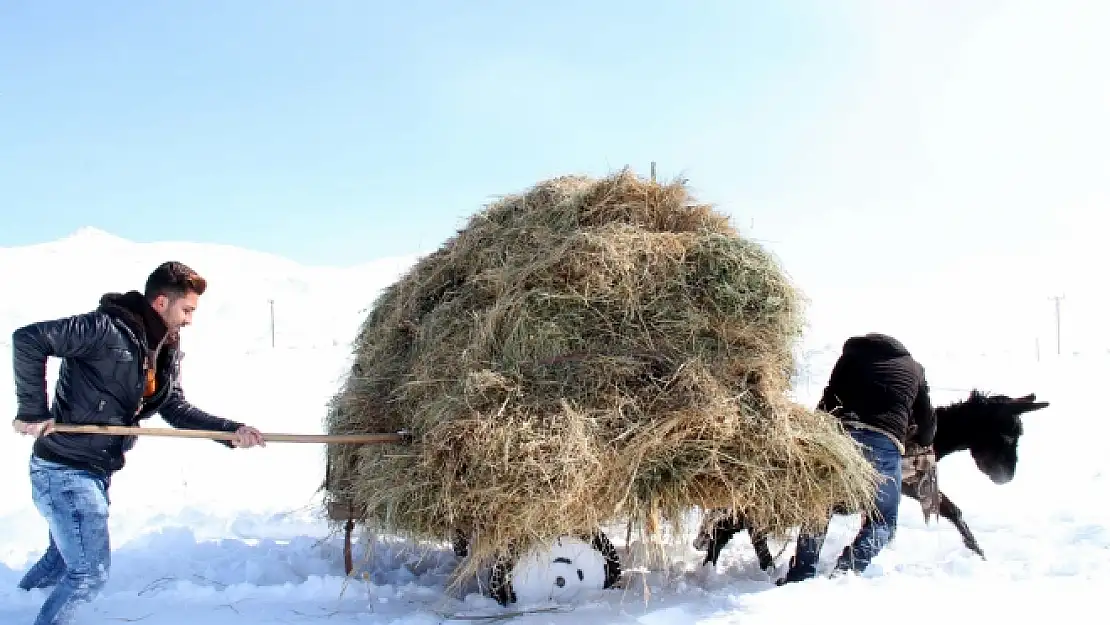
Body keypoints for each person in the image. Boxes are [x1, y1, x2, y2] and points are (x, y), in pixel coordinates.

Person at [10, 261, 266, 625]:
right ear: (161, 302)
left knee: (62, 560)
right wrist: (33, 410)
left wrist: (230, 430)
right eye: (187, 310)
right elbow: (29, 339)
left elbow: (174, 408)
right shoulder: (103, 328)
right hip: (64, 470)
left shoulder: (164, 348)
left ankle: (13, 606)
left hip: (93, 471)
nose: (191, 319)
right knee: (88, 573)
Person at [778, 332, 936, 584]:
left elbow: (829, 400)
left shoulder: (851, 358)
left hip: (839, 439)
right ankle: (846, 570)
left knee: (820, 506)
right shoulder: (914, 370)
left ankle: (801, 573)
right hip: (884, 444)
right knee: (883, 520)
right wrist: (920, 441)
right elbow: (927, 426)